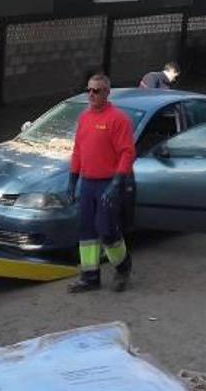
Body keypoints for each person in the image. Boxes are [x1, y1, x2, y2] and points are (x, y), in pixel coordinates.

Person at [66, 74, 136, 293]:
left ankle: (123, 268)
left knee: (106, 230)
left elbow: (127, 152)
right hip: (87, 183)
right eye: (89, 90)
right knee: (86, 232)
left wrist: (116, 183)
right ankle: (90, 277)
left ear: (107, 93)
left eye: (96, 91)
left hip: (108, 183)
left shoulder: (118, 119)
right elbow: (78, 150)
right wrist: (72, 180)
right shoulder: (84, 118)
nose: (91, 94)